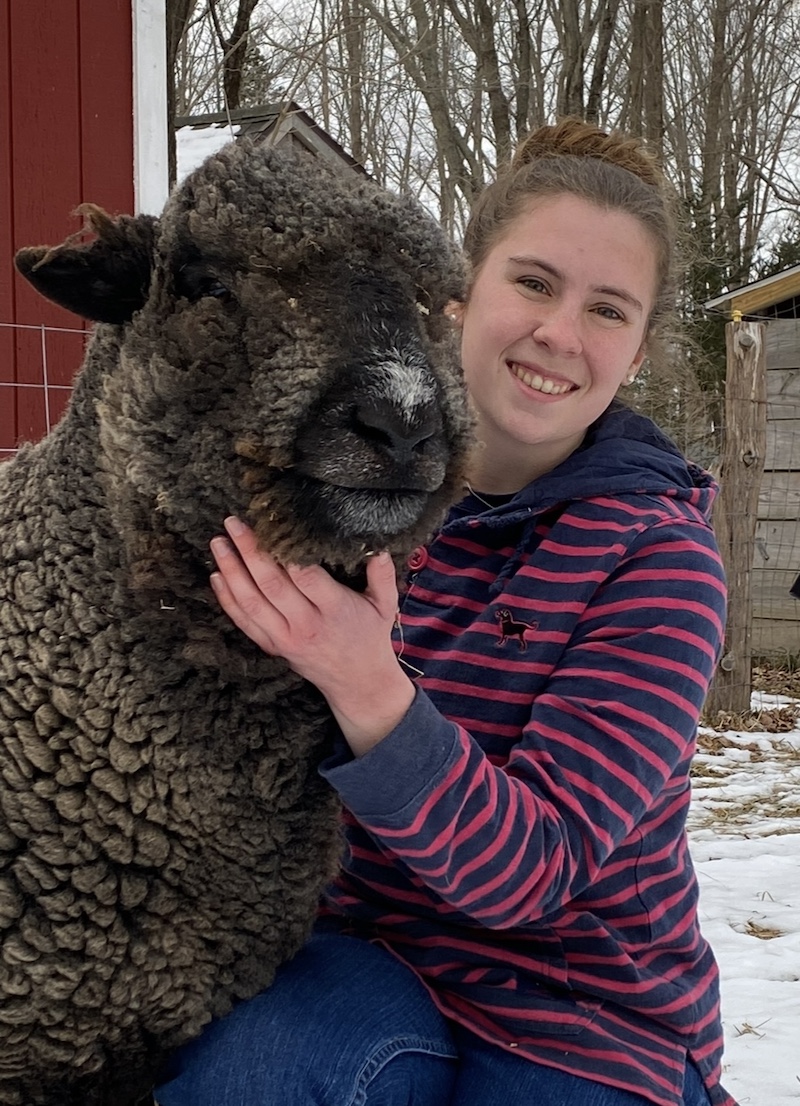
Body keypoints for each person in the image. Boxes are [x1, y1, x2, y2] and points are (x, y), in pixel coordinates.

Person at [155, 119, 735, 1106]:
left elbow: (535, 868)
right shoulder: (339, 482)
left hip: (578, 1003)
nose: (558, 333)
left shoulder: (657, 561)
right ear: (458, 293)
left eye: (607, 310)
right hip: (371, 949)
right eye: (533, 282)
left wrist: (365, 680)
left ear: (635, 352)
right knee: (239, 1071)